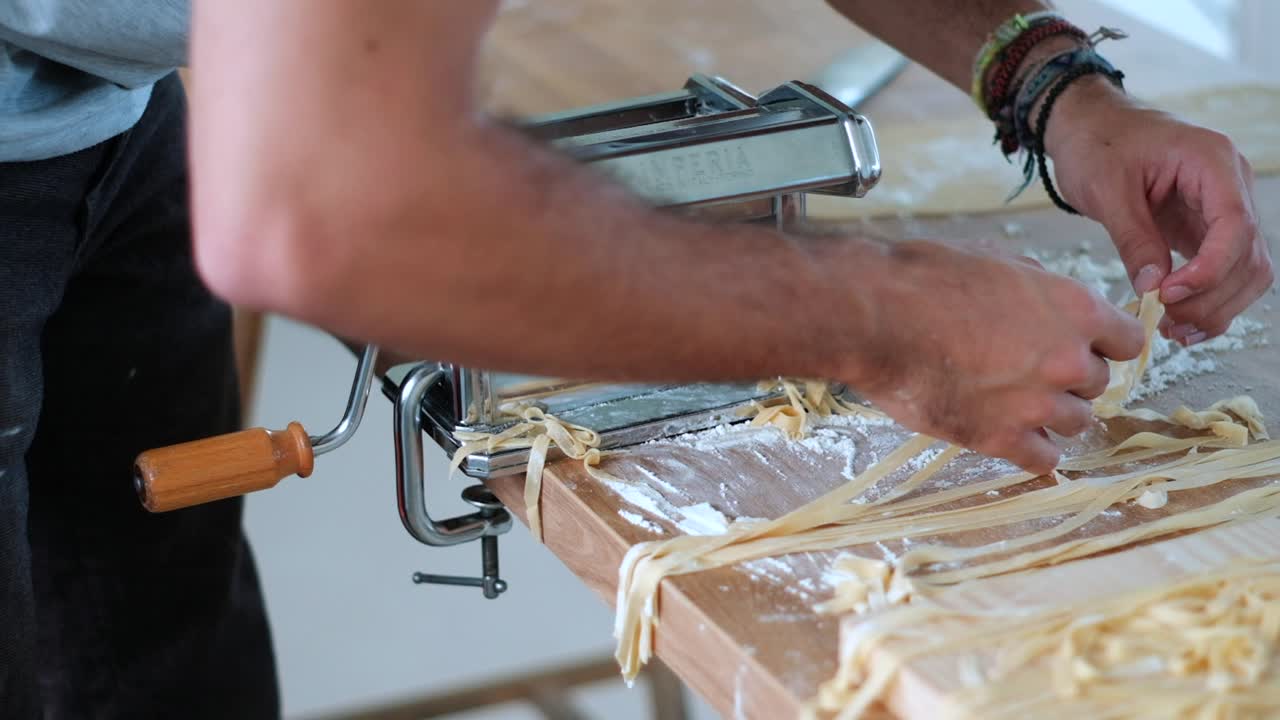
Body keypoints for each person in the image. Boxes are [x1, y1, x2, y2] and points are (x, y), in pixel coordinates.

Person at [0, 1, 1270, 717]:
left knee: (152, 667)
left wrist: (1048, 84)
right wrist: (880, 319)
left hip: (96, 98)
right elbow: (326, 215)